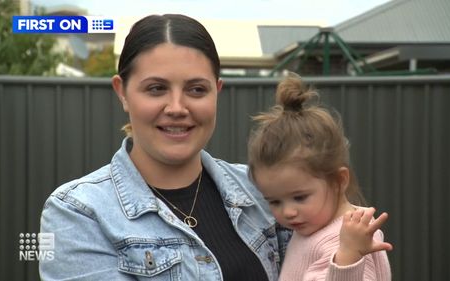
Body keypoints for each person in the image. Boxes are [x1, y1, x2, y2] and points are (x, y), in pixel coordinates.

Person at [39, 14, 291, 280]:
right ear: (122, 92)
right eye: (156, 88)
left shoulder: (262, 191)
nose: (177, 108)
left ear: (217, 91)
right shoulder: (75, 213)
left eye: (196, 90)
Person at [247, 74, 392, 280]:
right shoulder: (315, 228)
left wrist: (349, 258)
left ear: (339, 180)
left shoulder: (352, 241)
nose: (287, 212)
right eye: (274, 201)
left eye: (300, 197)